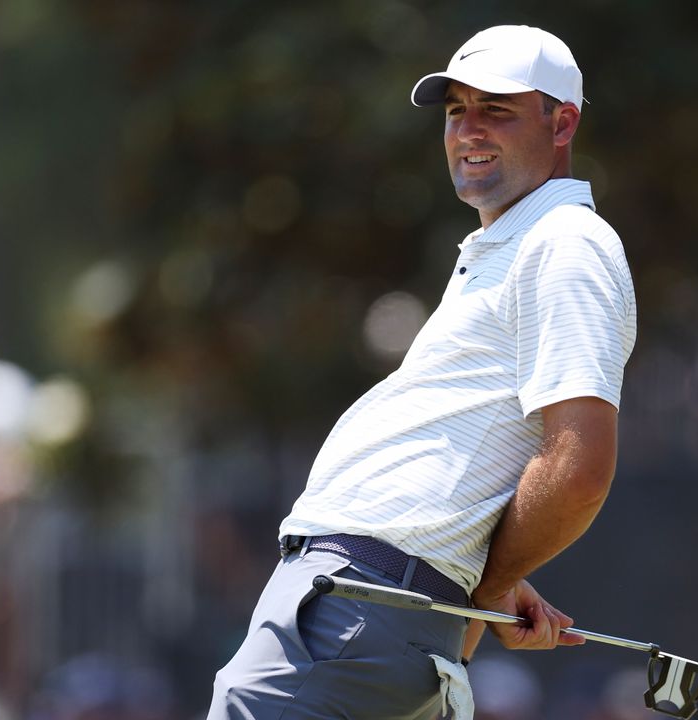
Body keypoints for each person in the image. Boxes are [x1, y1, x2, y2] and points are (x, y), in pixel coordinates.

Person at [208, 24, 637, 720]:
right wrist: (488, 581)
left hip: (355, 613)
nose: (468, 130)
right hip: (370, 614)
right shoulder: (515, 243)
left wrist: (487, 584)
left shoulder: (565, 244)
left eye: (495, 109)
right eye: (455, 110)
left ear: (563, 121)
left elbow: (579, 465)